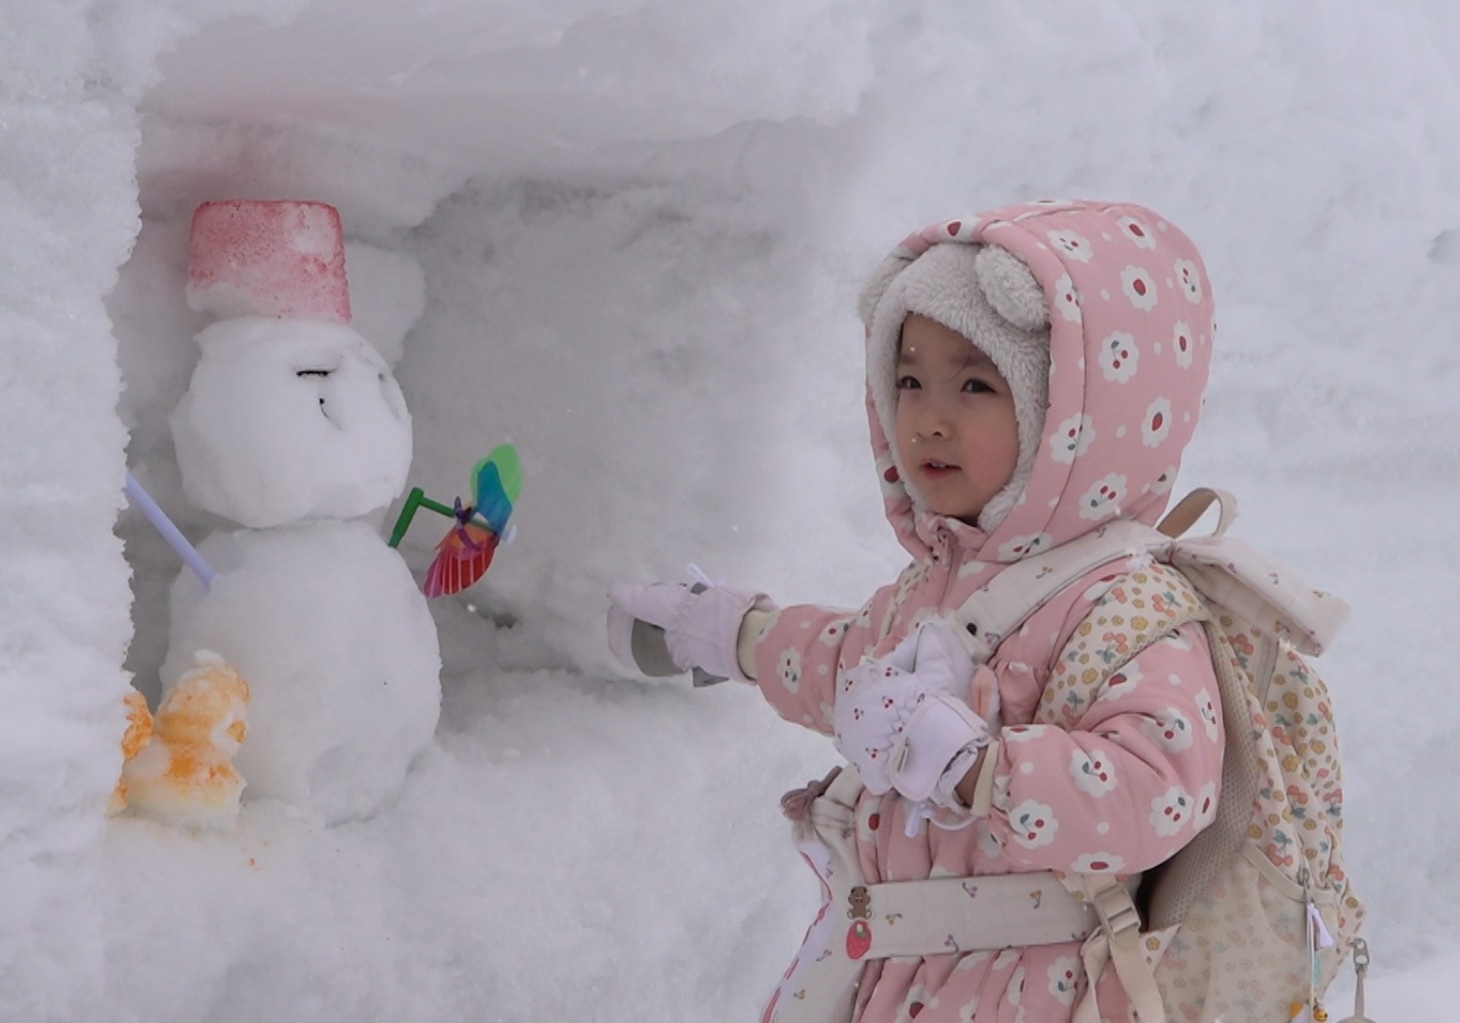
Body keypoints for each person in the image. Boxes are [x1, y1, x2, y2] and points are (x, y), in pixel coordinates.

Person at [608, 199, 1226, 1023]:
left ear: (1075, 415)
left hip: (1038, 988)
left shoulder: (1126, 603)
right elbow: (846, 667)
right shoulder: (939, 584)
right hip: (902, 975)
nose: (927, 418)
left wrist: (972, 768)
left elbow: (1160, 791)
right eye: (907, 380)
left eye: (975, 383)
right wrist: (735, 633)